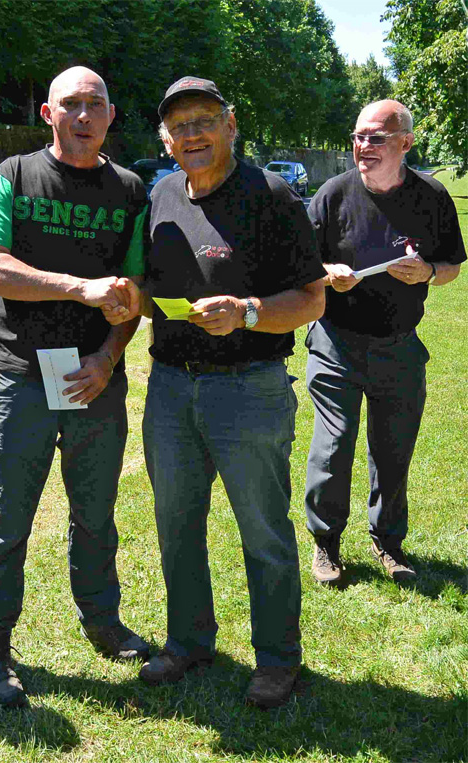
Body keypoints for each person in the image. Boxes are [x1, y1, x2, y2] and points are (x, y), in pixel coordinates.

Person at [106, 76, 325, 708]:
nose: (193, 134)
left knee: (263, 531)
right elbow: (150, 287)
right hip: (172, 388)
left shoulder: (272, 195)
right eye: (180, 126)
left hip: (249, 390)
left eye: (205, 120)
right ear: (165, 138)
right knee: (176, 524)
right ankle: (189, 641)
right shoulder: (162, 194)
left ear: (231, 125)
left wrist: (248, 311)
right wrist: (131, 299)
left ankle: (279, 659)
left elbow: (311, 299)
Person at [0, 66, 148, 707]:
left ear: (111, 114)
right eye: (70, 104)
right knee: (5, 517)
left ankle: (101, 622)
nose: (83, 114)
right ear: (48, 113)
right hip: (22, 376)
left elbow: (133, 295)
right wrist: (77, 287)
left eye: (95, 104)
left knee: (95, 514)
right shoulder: (13, 176)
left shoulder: (128, 190)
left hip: (93, 378)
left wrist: (106, 354)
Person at [305, 99, 466, 587]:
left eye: (376, 137)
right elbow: (299, 267)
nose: (363, 147)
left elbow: (452, 267)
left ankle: (388, 543)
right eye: (358, 137)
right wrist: (326, 273)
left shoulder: (432, 196)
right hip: (336, 344)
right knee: (332, 451)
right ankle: (325, 543)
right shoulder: (333, 195)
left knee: (394, 452)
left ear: (405, 143)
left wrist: (428, 271)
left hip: (399, 346)